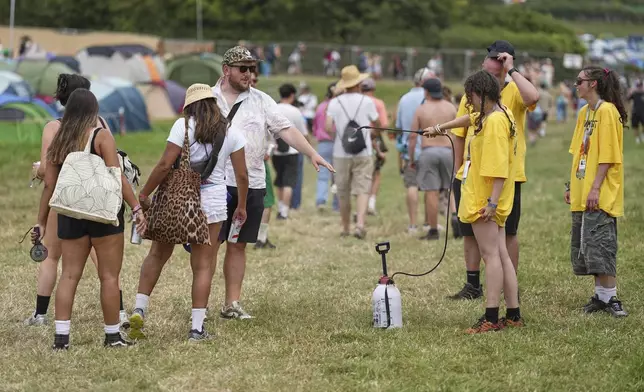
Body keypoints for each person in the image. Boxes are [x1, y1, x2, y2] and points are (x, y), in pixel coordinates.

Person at [213, 46, 333, 319]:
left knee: (238, 244)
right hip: (216, 183)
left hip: (251, 183)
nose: (248, 73)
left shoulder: (262, 100)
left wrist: (311, 153)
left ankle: (231, 304)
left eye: (251, 68)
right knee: (209, 247)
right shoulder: (208, 99)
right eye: (242, 68)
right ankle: (200, 308)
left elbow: (286, 130)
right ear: (226, 70)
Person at [130, 84, 249, 341]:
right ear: (214, 104)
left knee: (158, 254)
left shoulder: (182, 126)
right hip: (213, 202)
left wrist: (144, 193)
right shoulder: (231, 132)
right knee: (203, 266)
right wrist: (242, 206)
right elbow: (241, 175)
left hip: (178, 200)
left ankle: (140, 308)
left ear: (189, 106)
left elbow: (164, 165)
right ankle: (196, 328)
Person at [32, 88, 146, 349]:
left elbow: (49, 184)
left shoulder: (60, 139)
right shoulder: (101, 136)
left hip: (71, 214)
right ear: (94, 111)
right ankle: (112, 336)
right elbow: (118, 177)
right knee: (108, 277)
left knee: (69, 275)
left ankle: (61, 339)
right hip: (103, 215)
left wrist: (41, 220)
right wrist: (137, 208)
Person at [425, 70, 522, 333]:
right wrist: (439, 128)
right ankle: (513, 313)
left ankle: (490, 317)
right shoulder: (498, 113)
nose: (468, 101)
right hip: (492, 197)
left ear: (482, 95)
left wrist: (491, 203)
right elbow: (471, 118)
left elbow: (499, 168)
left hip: (486, 200)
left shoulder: (493, 125)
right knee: (501, 255)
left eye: (470, 96)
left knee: (490, 257)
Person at [449, 40, 539, 300]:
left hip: (505, 174)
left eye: (500, 60)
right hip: (472, 173)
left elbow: (533, 97)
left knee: (507, 233)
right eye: (492, 59)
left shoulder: (512, 91)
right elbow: (461, 130)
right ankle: (473, 283)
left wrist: (511, 71)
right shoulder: (473, 91)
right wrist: (458, 170)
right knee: (470, 230)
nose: (494, 64)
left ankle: (509, 286)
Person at [565, 66, 628, 317]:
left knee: (602, 244)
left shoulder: (608, 112)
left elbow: (608, 157)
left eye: (579, 81)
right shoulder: (584, 112)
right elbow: (578, 152)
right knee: (589, 247)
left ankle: (612, 297)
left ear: (593, 84)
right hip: (583, 190)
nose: (575, 85)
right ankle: (600, 297)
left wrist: (594, 188)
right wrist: (572, 186)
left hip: (599, 192)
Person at [325, 65, 379, 239]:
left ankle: (345, 227)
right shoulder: (367, 101)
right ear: (359, 82)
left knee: (343, 190)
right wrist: (373, 133)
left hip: (341, 153)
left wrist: (340, 135)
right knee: (362, 188)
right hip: (364, 151)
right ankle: (360, 224)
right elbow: (376, 123)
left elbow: (327, 127)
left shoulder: (335, 102)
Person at [408, 78, 458, 240]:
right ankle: (456, 217)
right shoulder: (451, 107)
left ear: (426, 92)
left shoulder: (421, 109)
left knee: (432, 192)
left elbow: (413, 137)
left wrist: (411, 159)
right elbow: (459, 133)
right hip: (448, 151)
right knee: (451, 188)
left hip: (428, 152)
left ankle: (433, 229)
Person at [395, 68, 435, 234]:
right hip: (428, 147)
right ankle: (427, 222)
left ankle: (412, 224)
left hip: (409, 149)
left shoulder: (404, 99)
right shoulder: (429, 98)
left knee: (411, 185)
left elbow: (398, 126)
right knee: (429, 187)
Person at [272, 83, 309, 220]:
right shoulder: (295, 111)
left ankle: (281, 207)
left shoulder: (273, 108)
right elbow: (303, 132)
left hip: (276, 151)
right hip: (292, 151)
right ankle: (285, 211)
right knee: (289, 182)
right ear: (292, 95)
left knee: (280, 180)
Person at [360, 78, 388, 216]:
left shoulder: (357, 101)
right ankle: (371, 202)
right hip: (374, 138)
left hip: (356, 139)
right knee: (376, 173)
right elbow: (383, 125)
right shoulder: (378, 103)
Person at [313, 83, 340, 212]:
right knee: (338, 174)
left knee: (322, 175)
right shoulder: (339, 106)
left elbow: (315, 126)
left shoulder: (320, 107)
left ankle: (321, 200)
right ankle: (337, 203)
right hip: (337, 141)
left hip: (323, 143)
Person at [627, 80, 644, 144]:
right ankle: (637, 139)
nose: (639, 87)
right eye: (638, 86)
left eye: (640, 85)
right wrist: (630, 92)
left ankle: (642, 135)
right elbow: (628, 99)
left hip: (643, 112)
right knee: (635, 126)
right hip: (635, 112)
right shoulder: (634, 93)